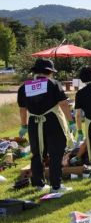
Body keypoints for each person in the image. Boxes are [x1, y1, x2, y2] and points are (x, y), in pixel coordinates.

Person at [17, 58, 75, 194]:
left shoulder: (24, 86)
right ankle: (56, 185)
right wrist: (71, 121)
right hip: (52, 121)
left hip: (34, 123)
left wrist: (23, 125)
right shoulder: (53, 83)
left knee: (37, 153)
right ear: (49, 72)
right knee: (56, 153)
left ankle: (38, 184)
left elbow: (22, 109)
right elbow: (64, 104)